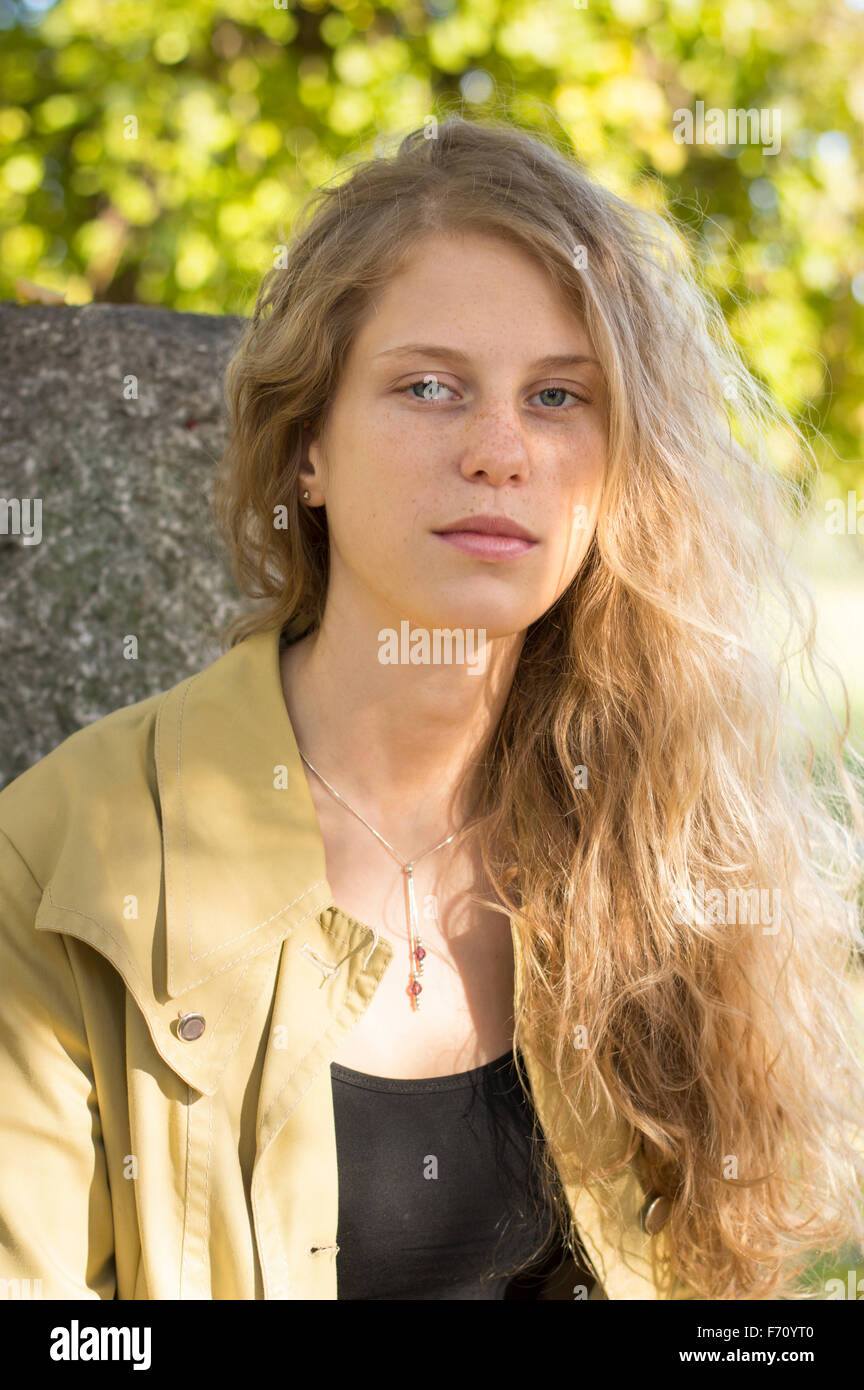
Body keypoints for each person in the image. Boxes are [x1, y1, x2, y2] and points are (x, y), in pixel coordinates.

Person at [1, 114, 862, 1302]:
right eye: (428, 385)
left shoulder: (663, 835)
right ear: (306, 445)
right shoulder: (62, 856)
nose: (502, 449)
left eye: (560, 398)